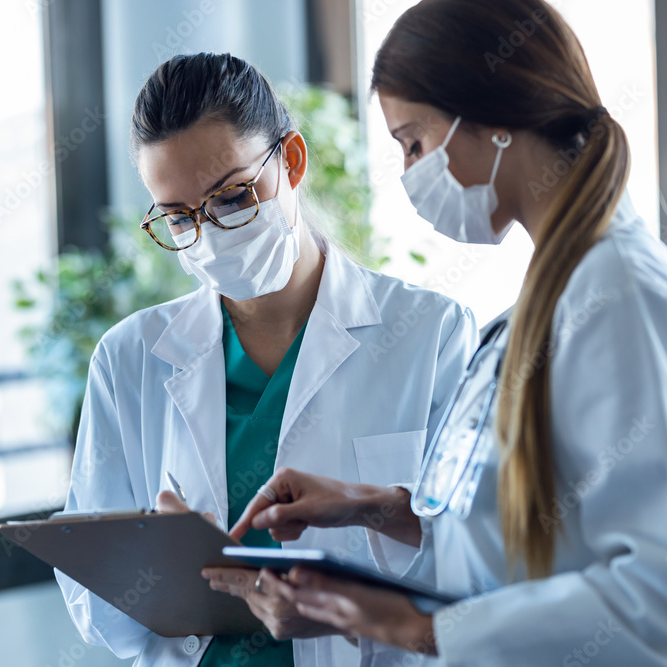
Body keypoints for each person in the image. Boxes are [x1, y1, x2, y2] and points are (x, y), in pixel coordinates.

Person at [217, 1, 667, 665]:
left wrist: (417, 626)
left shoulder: (620, 303)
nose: (413, 172)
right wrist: (377, 507)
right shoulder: (551, 300)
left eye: (414, 142)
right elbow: (535, 539)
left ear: (493, 118)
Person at [53, 52, 476, 667]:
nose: (211, 233)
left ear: (293, 161)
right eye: (178, 217)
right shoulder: (130, 357)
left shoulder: (431, 335)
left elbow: (479, 562)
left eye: (232, 197)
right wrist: (152, 554)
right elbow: (96, 610)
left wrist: (363, 549)